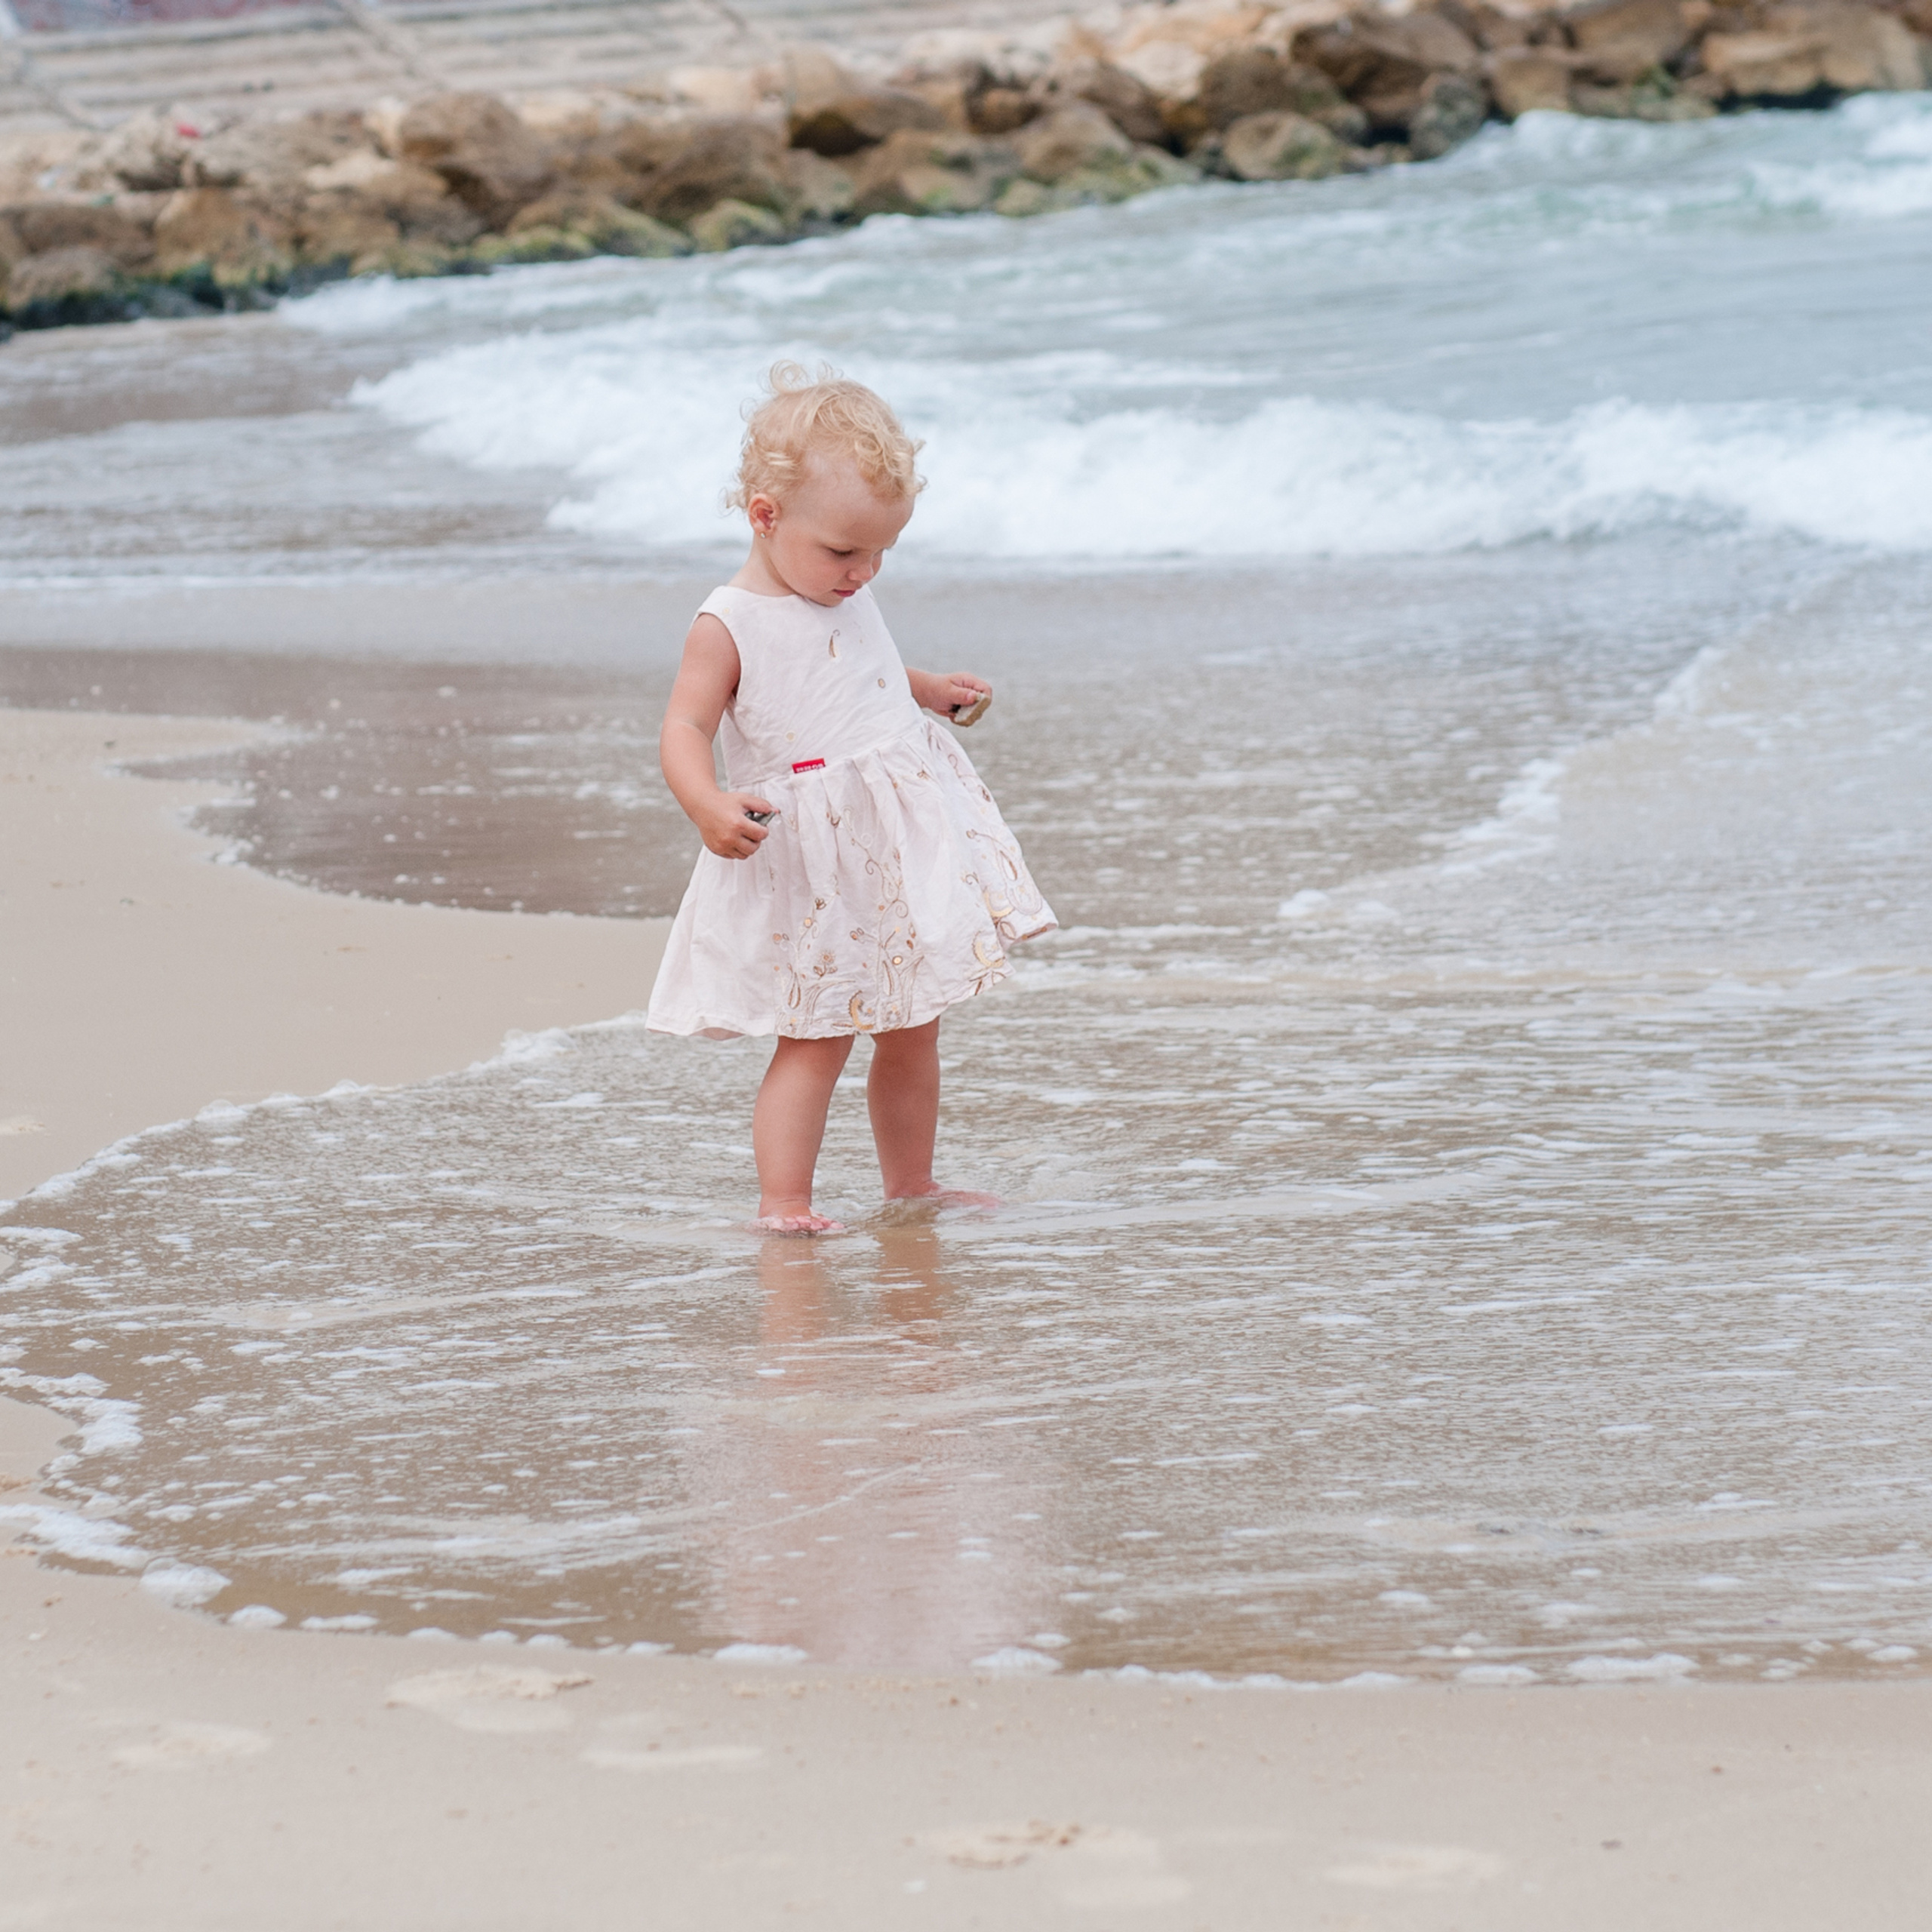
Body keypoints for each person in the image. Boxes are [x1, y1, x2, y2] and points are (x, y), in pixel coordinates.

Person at [648, 364, 1056, 1233]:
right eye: (844, 550)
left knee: (915, 1024)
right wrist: (706, 802)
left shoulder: (840, 587)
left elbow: (857, 664)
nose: (863, 572)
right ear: (765, 515)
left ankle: (912, 1182)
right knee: (821, 1032)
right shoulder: (728, 622)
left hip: (896, 840)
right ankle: (783, 1201)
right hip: (815, 857)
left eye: (881, 553)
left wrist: (926, 687)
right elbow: (683, 727)